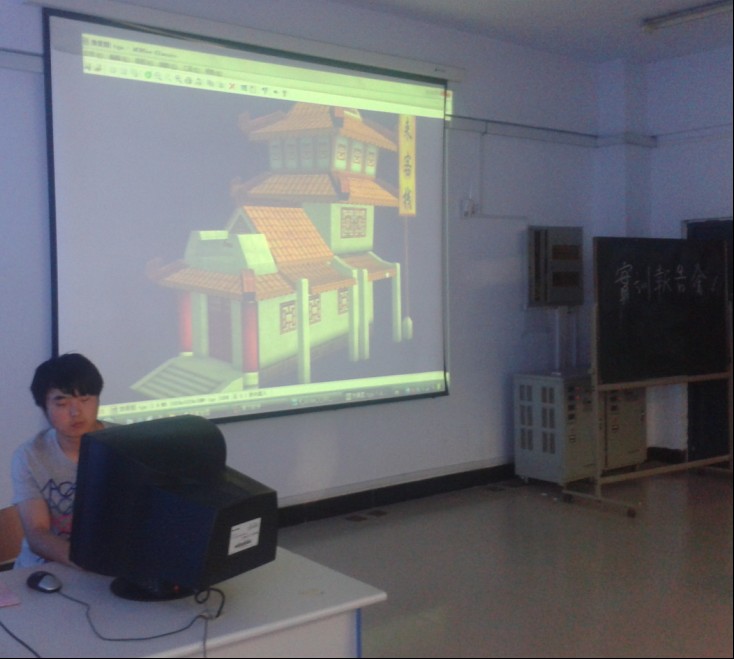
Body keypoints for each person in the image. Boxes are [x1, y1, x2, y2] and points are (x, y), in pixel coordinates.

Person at [11, 353, 105, 568]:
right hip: (44, 569)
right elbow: (37, 532)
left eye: (85, 400)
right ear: (44, 408)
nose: (76, 412)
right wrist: (87, 562)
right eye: (62, 403)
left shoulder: (126, 445)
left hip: (112, 566)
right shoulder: (30, 456)